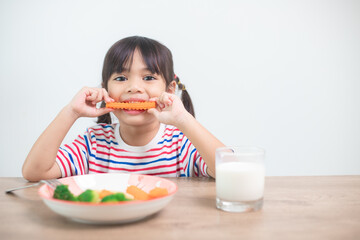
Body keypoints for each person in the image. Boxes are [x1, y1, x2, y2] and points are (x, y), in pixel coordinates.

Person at [22, 36, 224, 181]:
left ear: (169, 90)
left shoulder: (180, 143)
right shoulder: (93, 143)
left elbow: (227, 170)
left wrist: (184, 120)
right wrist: (71, 112)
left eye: (148, 77)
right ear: (105, 90)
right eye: (120, 78)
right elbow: (34, 172)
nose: (133, 87)